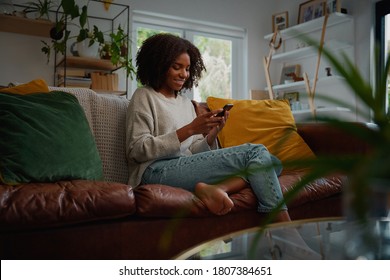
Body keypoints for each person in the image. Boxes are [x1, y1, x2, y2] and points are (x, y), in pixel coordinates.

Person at [126, 33, 291, 221]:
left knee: (273, 162)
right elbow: (136, 150)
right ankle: (284, 228)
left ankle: (219, 188)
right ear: (159, 65)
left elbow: (194, 152)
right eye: (177, 67)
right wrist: (189, 129)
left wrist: (212, 134)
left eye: (187, 69)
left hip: (183, 168)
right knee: (256, 153)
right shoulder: (144, 96)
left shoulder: (186, 103)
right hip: (154, 171)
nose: (184, 74)